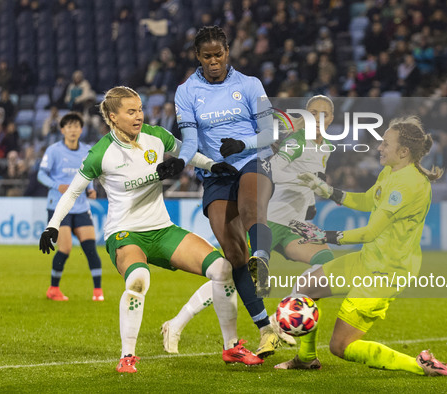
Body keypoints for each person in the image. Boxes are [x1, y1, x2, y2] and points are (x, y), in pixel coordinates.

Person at [38, 86, 262, 373]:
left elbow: (188, 154)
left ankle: (231, 347)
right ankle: (127, 356)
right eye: (130, 111)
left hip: (162, 230)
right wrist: (52, 226)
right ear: (112, 117)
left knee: (222, 269)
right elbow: (72, 192)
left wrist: (214, 165)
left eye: (140, 109)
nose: (139, 116)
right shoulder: (100, 153)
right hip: (125, 233)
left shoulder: (156, 137)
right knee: (138, 279)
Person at [276, 116, 447, 377]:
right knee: (305, 287)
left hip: (385, 273)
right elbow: (367, 201)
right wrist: (327, 190)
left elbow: (371, 232)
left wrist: (323, 235)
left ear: (403, 152)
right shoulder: (391, 171)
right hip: (367, 260)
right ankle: (306, 359)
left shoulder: (409, 184)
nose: (379, 148)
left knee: (340, 347)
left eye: (385, 143)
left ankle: (420, 365)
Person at [161, 96, 337, 355]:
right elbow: (275, 168)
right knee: (238, 271)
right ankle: (278, 319)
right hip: (271, 218)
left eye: (324, 114)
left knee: (234, 272)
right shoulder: (295, 141)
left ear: (332, 118)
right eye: (312, 113)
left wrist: (309, 204)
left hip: (291, 221)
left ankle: (278, 318)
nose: (318, 119)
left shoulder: (327, 147)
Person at [162, 25, 279, 359]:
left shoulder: (250, 85)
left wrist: (243, 143)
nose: (214, 61)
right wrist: (179, 162)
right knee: (232, 250)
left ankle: (264, 261)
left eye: (219, 54)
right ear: (198, 57)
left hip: (253, 159)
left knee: (251, 204)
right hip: (217, 172)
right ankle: (265, 330)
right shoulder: (186, 91)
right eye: (207, 56)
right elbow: (191, 141)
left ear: (228, 52)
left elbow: (270, 132)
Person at [37, 112, 102, 302]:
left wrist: (90, 189)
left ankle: (98, 292)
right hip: (58, 206)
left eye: (76, 126)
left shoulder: (87, 150)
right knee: (65, 248)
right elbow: (41, 174)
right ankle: (53, 289)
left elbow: (88, 174)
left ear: (81, 130)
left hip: (81, 206)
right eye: (69, 126)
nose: (73, 130)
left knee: (90, 248)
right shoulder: (53, 150)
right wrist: (56, 185)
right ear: (62, 129)